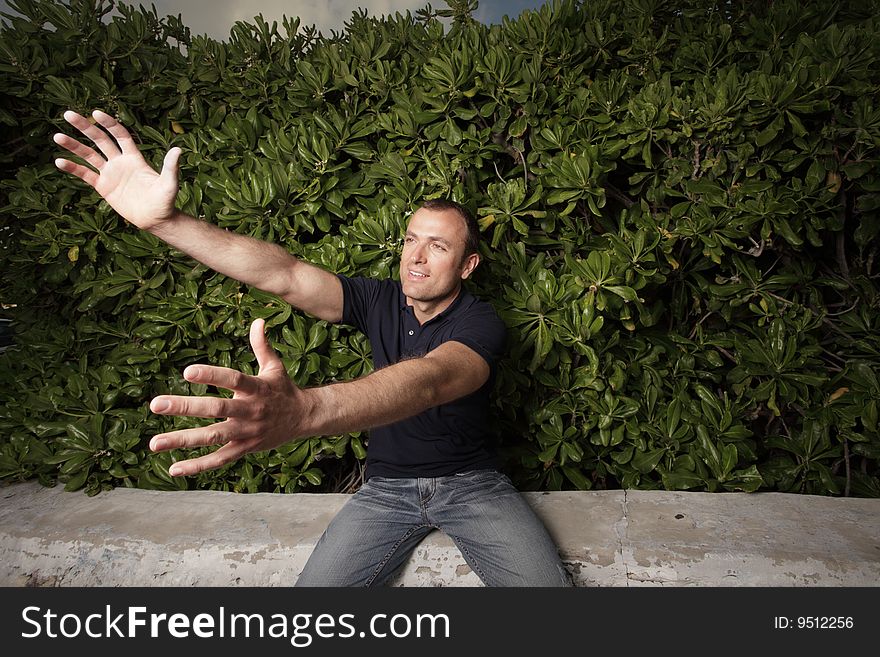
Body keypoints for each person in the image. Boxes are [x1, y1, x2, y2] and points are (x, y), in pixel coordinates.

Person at [54, 109, 572, 587]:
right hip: (385, 491)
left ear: (467, 266)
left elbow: (432, 378)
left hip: (473, 486)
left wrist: (307, 409)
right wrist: (168, 223)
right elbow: (285, 274)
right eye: (411, 239)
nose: (416, 257)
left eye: (438, 246)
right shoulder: (377, 299)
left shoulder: (481, 321)